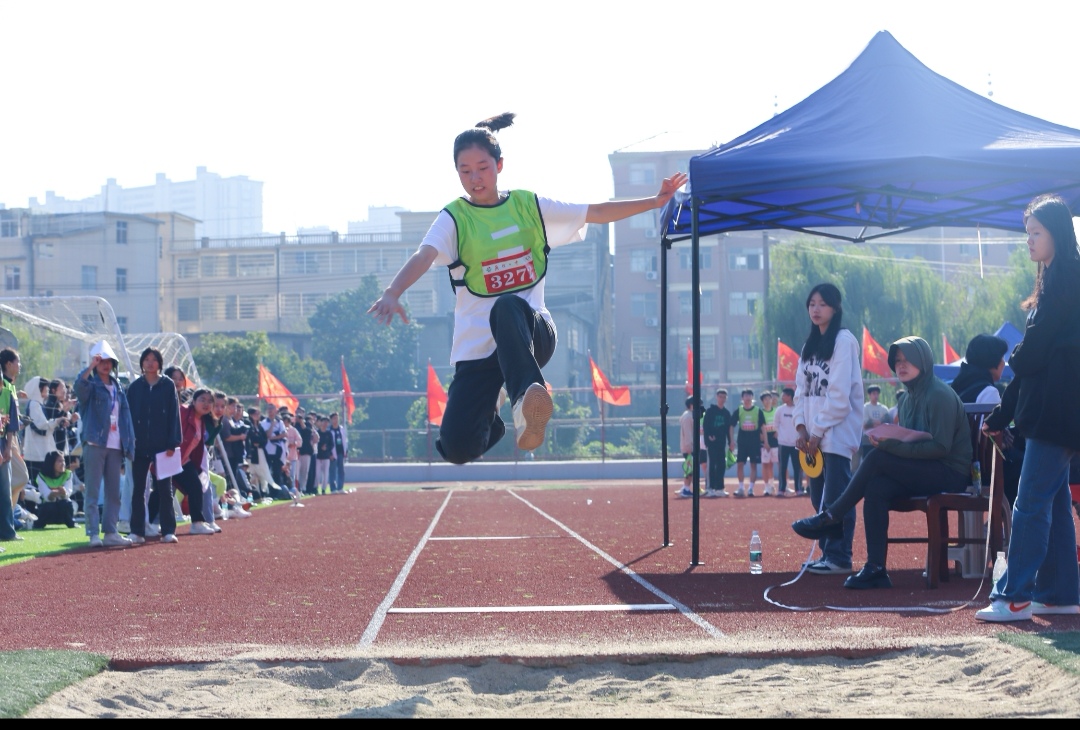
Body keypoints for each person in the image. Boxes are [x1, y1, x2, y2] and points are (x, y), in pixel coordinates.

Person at [368, 112, 687, 463]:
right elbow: (424, 254)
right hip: (478, 355)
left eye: (483, 168)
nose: (475, 178)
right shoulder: (454, 218)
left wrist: (653, 201)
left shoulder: (528, 206)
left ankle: (526, 401)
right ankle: (498, 407)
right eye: (465, 171)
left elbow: (594, 211)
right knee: (457, 448)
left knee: (506, 305)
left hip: (532, 334)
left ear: (500, 164)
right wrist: (393, 291)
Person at [792, 336, 972, 588]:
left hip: (950, 472)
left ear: (924, 360)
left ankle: (832, 516)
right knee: (876, 488)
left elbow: (941, 448)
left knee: (877, 458)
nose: (901, 365)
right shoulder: (907, 400)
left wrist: (891, 446)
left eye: (908, 360)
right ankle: (876, 568)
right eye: (897, 361)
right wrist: (893, 441)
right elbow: (912, 442)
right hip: (926, 469)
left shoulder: (939, 394)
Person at [977, 194, 1080, 622]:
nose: (1029, 241)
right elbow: (1030, 364)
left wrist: (1017, 357)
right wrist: (1001, 415)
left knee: (1030, 502)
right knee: (1051, 503)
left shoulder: (1066, 283)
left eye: (1036, 233)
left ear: (1057, 232)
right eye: (1027, 234)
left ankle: (1014, 594)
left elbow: (1030, 356)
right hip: (1054, 411)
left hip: (1057, 413)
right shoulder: (1057, 280)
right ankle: (1057, 593)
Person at [790, 283, 864, 575]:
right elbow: (800, 391)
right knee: (817, 496)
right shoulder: (809, 346)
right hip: (813, 439)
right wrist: (801, 428)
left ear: (835, 308)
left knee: (836, 496)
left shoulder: (844, 341)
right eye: (811, 304)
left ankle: (840, 557)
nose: (816, 309)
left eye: (822, 304)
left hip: (835, 434)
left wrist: (817, 431)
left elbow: (839, 396)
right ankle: (826, 554)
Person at [73, 340, 136, 548]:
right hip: (95, 442)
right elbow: (78, 386)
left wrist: (129, 444)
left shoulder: (118, 386)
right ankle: (93, 533)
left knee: (113, 492)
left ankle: (111, 531)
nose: (105, 364)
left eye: (109, 361)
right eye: (101, 361)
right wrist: (90, 366)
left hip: (116, 444)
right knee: (92, 491)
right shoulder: (90, 385)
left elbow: (125, 418)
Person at [125, 347, 182, 544]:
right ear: (141, 363)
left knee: (165, 489)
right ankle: (137, 531)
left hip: (163, 445)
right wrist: (129, 442)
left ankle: (168, 530)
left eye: (154, 359)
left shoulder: (167, 385)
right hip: (139, 445)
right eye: (146, 359)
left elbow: (174, 414)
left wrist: (173, 441)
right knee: (138, 489)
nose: (150, 363)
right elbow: (128, 417)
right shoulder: (134, 387)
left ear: (159, 363)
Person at [172, 388, 218, 536]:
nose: (206, 404)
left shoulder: (202, 420)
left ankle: (197, 524)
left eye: (210, 401)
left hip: (184, 461)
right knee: (161, 492)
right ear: (194, 401)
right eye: (202, 400)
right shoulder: (183, 411)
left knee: (195, 486)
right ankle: (149, 525)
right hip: (170, 457)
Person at [950, 334, 1009, 405]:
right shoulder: (989, 393)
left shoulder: (955, 388)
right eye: (1002, 357)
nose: (1003, 363)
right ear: (993, 359)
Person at [30, 450, 76, 529]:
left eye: (63, 461)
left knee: (65, 503)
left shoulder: (68, 474)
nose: (63, 464)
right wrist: (52, 495)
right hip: (47, 509)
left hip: (62, 507)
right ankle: (39, 525)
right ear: (51, 463)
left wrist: (64, 493)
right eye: (59, 461)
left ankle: (71, 523)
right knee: (49, 506)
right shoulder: (41, 476)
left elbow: (68, 491)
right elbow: (45, 495)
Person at [733, 389, 765, 497]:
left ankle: (751, 488)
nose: (747, 397)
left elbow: (763, 427)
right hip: (742, 441)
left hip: (754, 441)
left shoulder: (757, 410)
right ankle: (741, 487)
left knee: (753, 465)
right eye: (745, 395)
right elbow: (731, 425)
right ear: (742, 398)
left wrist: (766, 442)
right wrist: (731, 440)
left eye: (749, 395)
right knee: (740, 464)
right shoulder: (739, 410)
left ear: (752, 397)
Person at [702, 388, 733, 498]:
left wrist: (730, 442)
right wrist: (708, 437)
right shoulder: (710, 411)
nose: (722, 399)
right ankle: (710, 488)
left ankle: (719, 488)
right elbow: (705, 426)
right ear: (716, 397)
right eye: (720, 396)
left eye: (724, 397)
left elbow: (729, 429)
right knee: (711, 465)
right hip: (711, 444)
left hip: (721, 443)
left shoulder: (726, 413)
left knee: (721, 465)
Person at [774, 387, 803, 496]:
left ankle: (798, 488)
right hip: (783, 444)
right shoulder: (780, 410)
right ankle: (781, 489)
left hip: (796, 444)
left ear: (790, 396)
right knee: (782, 467)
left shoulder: (797, 409)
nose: (782, 397)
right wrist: (780, 437)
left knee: (797, 467)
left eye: (784, 395)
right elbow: (776, 424)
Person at [678, 396, 705, 498]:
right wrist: (689, 448)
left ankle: (689, 488)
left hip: (691, 447)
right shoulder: (688, 417)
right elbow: (688, 433)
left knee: (692, 469)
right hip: (689, 448)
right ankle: (685, 489)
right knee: (690, 469)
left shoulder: (690, 415)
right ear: (691, 405)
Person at [859, 385, 890, 462]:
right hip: (868, 439)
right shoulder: (865, 408)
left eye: (877, 393)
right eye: (873, 393)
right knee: (867, 461)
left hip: (881, 440)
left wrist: (873, 422)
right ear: (869, 395)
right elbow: (865, 425)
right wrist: (878, 423)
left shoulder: (884, 408)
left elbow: (887, 423)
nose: (876, 396)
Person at [760, 391, 779, 495]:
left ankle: (773, 485)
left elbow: (782, 423)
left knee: (774, 464)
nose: (767, 401)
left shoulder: (777, 411)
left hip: (775, 440)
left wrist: (778, 431)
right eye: (765, 399)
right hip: (764, 441)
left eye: (769, 399)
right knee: (765, 464)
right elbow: (759, 426)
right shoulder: (760, 412)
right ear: (762, 401)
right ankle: (767, 487)